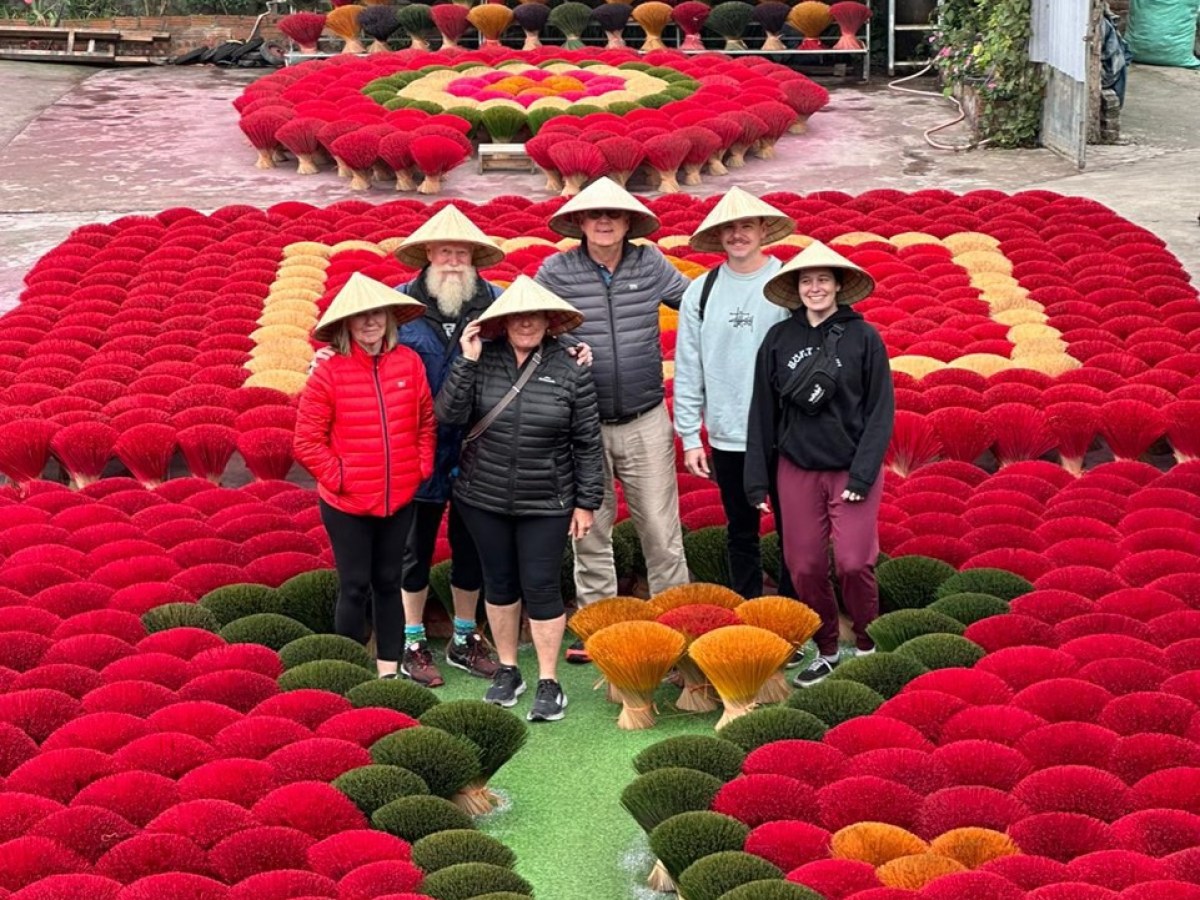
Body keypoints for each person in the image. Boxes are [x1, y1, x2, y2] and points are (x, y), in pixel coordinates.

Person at [534, 177, 690, 662]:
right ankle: (600, 629)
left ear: (628, 222)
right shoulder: (557, 270)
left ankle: (674, 623)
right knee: (591, 530)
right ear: (580, 222)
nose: (604, 222)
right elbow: (526, 321)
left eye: (614, 215)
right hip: (582, 424)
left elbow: (701, 305)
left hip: (645, 417)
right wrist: (562, 349)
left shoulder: (651, 262)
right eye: (595, 215)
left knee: (662, 531)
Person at [434, 276, 604, 721]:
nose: (525, 322)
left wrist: (586, 502)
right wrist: (466, 361)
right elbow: (447, 416)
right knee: (500, 583)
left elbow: (587, 441)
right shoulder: (481, 361)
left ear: (549, 322)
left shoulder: (571, 368)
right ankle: (509, 669)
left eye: (534, 316)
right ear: (503, 321)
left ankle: (549, 680)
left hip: (546, 501)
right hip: (482, 496)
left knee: (542, 587)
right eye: (517, 316)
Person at [744, 241, 895, 688]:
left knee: (852, 561)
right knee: (804, 565)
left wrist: (863, 474)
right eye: (806, 281)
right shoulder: (779, 339)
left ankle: (868, 643)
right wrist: (757, 482)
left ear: (838, 286)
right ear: (797, 288)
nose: (815, 288)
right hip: (797, 467)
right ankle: (826, 648)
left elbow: (880, 411)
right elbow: (763, 412)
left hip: (850, 469)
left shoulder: (864, 338)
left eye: (823, 280)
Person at [293, 273, 436, 679]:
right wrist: (340, 478)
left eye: (377, 314)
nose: (371, 323)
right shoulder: (329, 373)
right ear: (347, 325)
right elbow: (307, 442)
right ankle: (349, 670)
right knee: (355, 585)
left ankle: (388, 672)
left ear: (390, 319)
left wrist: (420, 466)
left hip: (400, 497)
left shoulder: (409, 363)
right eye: (361, 317)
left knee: (390, 582)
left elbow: (426, 422)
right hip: (347, 503)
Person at [673, 186, 796, 601]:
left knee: (793, 529)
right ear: (719, 235)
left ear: (763, 229)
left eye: (747, 226)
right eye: (730, 228)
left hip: (785, 433)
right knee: (740, 529)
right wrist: (691, 436)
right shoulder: (701, 291)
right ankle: (747, 609)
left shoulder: (786, 285)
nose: (738, 234)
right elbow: (689, 364)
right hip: (728, 433)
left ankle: (792, 612)